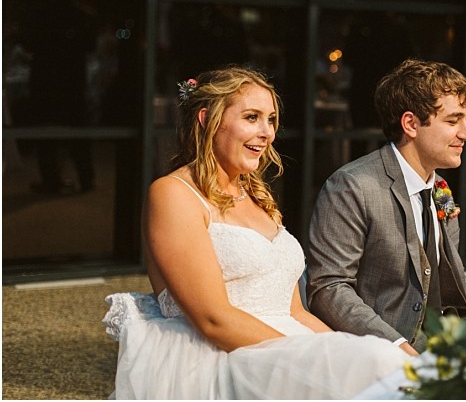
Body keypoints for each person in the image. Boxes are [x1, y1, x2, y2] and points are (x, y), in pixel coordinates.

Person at [104, 67, 403, 400]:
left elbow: (295, 312)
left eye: (271, 120)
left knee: (381, 361)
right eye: (252, 117)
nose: (267, 133)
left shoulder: (257, 197)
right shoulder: (174, 194)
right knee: (378, 363)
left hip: (284, 345)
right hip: (224, 355)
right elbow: (213, 320)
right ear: (207, 119)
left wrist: (337, 350)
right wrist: (307, 357)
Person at [307, 59, 466, 350]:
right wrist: (396, 345)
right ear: (411, 124)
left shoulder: (438, 186)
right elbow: (329, 288)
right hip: (380, 354)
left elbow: (449, 268)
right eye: (453, 121)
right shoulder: (352, 186)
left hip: (445, 341)